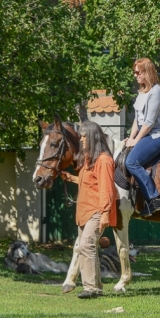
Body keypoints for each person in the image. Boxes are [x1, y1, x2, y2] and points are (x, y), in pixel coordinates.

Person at [60, 121, 117, 299]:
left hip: (97, 211)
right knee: (87, 247)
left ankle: (90, 288)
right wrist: (71, 178)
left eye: (84, 136)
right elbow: (89, 182)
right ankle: (96, 288)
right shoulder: (88, 161)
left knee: (86, 245)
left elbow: (107, 189)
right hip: (84, 212)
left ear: (93, 138)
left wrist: (105, 213)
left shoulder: (104, 161)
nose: (81, 139)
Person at [125, 57, 160, 217]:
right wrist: (130, 138)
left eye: (138, 72)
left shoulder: (156, 91)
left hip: (158, 135)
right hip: (145, 134)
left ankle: (154, 199)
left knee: (131, 162)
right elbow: (137, 120)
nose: (135, 75)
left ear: (147, 72)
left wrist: (136, 140)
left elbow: (149, 123)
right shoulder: (142, 92)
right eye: (135, 72)